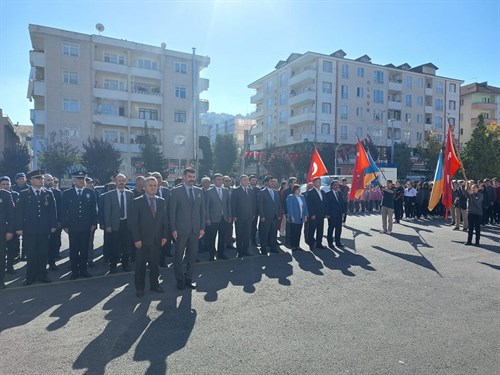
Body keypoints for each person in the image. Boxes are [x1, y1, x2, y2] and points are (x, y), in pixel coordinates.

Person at [128, 176, 169, 297]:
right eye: (150, 185)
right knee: (140, 266)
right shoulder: (137, 201)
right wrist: (136, 239)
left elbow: (164, 221)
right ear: (145, 187)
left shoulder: (161, 201)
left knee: (154, 265)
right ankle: (140, 288)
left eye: (155, 185)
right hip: (142, 241)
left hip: (157, 240)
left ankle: (155, 285)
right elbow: (133, 223)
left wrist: (165, 236)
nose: (153, 187)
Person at [15, 170, 57, 285]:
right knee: (31, 253)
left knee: (43, 253)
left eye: (42, 178)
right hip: (29, 230)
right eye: (39, 178)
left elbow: (52, 211)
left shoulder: (48, 193)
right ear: (31, 180)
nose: (41, 180)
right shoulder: (24, 194)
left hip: (44, 229)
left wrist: (53, 225)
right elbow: (19, 212)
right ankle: (30, 277)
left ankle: (42, 275)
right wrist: (19, 227)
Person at [169, 168, 205, 290]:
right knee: (178, 256)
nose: (192, 179)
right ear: (184, 177)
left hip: (195, 230)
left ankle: (189, 278)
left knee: (192, 255)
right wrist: (173, 229)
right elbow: (172, 212)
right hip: (180, 230)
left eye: (193, 176)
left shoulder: (199, 191)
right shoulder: (176, 191)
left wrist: (202, 227)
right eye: (189, 176)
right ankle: (180, 279)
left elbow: (202, 211)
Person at [60, 170, 97, 280]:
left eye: (84, 179)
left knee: (85, 249)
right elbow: (63, 211)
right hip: (73, 226)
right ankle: (74, 271)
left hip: (86, 226)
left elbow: (93, 210)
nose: (82, 181)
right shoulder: (67, 193)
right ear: (74, 180)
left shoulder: (90, 193)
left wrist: (94, 223)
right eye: (79, 179)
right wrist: (64, 225)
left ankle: (84, 270)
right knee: (74, 249)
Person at [104, 173, 134, 273]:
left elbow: (132, 209)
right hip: (114, 225)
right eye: (119, 180)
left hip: (127, 224)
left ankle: (125, 265)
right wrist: (108, 225)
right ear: (116, 182)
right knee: (114, 246)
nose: (121, 182)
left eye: (123, 180)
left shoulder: (130, 194)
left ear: (125, 182)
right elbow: (107, 212)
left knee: (126, 246)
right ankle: (113, 266)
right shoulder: (109, 195)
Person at [205, 173, 232, 261]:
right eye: (218, 179)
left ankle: (221, 253)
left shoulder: (226, 191)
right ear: (214, 181)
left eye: (221, 179)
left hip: (224, 218)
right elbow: (207, 206)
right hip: (213, 219)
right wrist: (207, 218)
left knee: (222, 237)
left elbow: (228, 205)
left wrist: (229, 216)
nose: (220, 181)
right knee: (212, 237)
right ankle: (211, 254)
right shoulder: (209, 191)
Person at [231, 174, 256, 257]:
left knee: (247, 234)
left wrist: (253, 214)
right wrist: (234, 215)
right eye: (244, 180)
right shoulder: (236, 191)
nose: (246, 181)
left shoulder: (251, 191)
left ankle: (246, 250)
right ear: (241, 181)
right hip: (239, 217)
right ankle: (239, 251)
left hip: (249, 216)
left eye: (247, 180)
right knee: (239, 234)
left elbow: (253, 203)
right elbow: (233, 203)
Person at [258, 176, 281, 255]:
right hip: (266, 216)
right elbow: (260, 205)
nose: (273, 183)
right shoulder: (262, 192)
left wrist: (279, 214)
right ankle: (263, 248)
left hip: (274, 216)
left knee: (273, 233)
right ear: (266, 182)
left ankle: (273, 248)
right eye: (271, 181)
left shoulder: (276, 192)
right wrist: (262, 215)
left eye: (273, 181)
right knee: (265, 233)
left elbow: (278, 204)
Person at [44, 174, 62, 271]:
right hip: (41, 225)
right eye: (48, 180)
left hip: (54, 224)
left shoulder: (57, 193)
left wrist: (59, 221)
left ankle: (52, 262)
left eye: (51, 180)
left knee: (53, 245)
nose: (50, 182)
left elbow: (60, 209)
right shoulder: (39, 192)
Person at [1, 176, 19, 274]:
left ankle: (10, 266)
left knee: (12, 249)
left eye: (7, 184)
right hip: (3, 228)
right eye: (3, 184)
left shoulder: (16, 195)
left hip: (13, 227)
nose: (5, 186)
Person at [0, 177, 15, 290]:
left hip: (2, 231)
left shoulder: (5, 195)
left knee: (1, 257)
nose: (5, 186)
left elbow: (11, 216)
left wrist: (10, 231)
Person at [305, 177, 327, 250]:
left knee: (320, 230)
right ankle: (311, 245)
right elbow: (309, 205)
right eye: (318, 182)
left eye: (320, 182)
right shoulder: (310, 192)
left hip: (321, 214)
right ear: (314, 183)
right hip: (314, 215)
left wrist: (325, 213)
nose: (319, 183)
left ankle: (319, 243)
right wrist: (312, 214)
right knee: (312, 230)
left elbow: (324, 204)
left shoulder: (322, 192)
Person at [286, 184, 308, 251]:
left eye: (299, 189)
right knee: (293, 232)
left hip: (300, 217)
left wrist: (305, 215)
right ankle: (293, 246)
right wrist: (291, 216)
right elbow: (290, 207)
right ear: (294, 190)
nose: (299, 191)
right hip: (294, 217)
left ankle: (297, 245)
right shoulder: (291, 197)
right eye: (298, 189)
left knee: (298, 231)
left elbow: (305, 207)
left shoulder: (302, 197)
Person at [325, 180, 345, 249]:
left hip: (339, 214)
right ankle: (330, 243)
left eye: (337, 185)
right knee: (331, 229)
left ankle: (338, 242)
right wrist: (327, 213)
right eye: (335, 185)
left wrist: (343, 212)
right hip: (331, 215)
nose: (337, 186)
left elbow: (342, 203)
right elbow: (326, 205)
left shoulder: (340, 193)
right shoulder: (328, 194)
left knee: (339, 229)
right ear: (332, 186)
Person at [249, 175, 260, 246]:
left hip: (255, 212)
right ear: (249, 181)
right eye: (252, 180)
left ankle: (253, 241)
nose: (253, 181)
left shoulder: (258, 190)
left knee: (253, 227)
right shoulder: (246, 189)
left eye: (255, 180)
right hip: (246, 212)